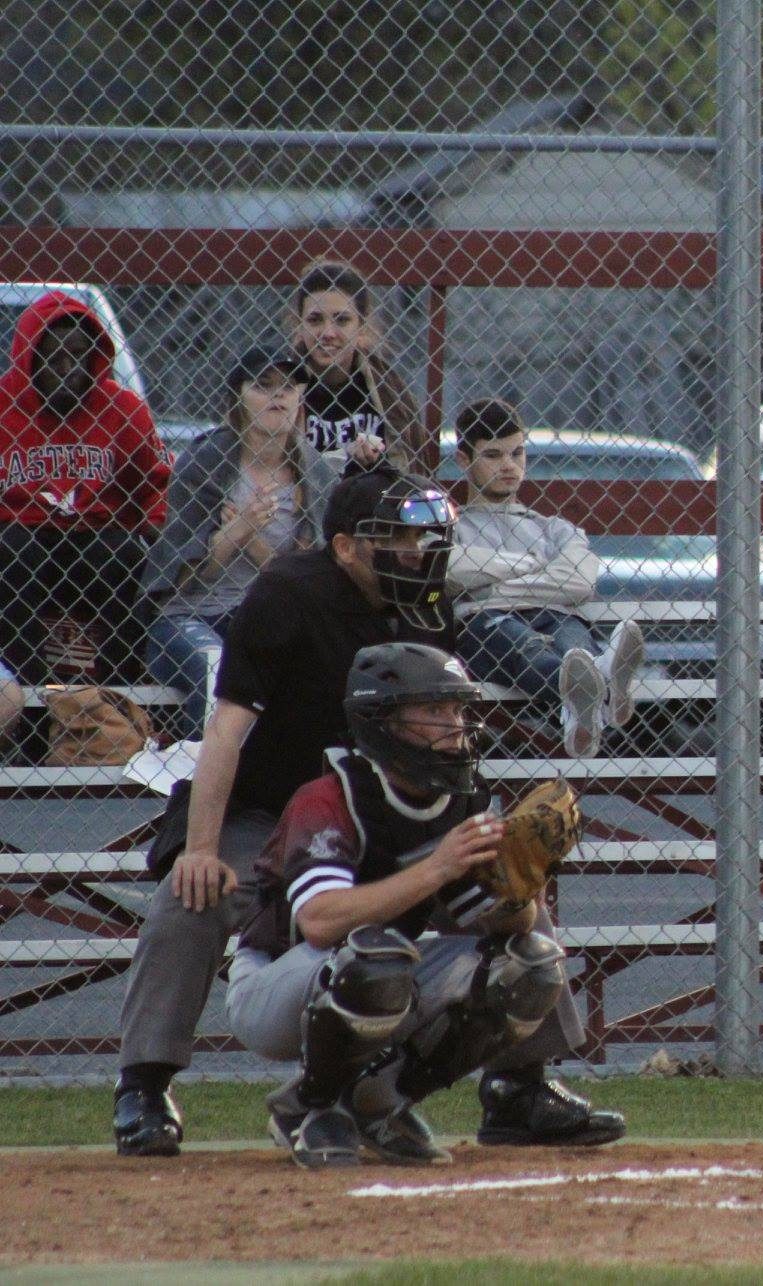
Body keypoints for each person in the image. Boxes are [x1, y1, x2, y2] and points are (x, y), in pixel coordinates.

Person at [112, 464, 623, 1156]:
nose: (420, 553)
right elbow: (227, 727)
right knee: (191, 896)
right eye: (400, 539)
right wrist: (202, 847)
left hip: (375, 802)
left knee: (502, 881)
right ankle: (144, 1084)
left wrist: (483, 850)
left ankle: (518, 1086)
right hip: (265, 803)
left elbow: (434, 727)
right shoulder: (287, 592)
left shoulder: (427, 600)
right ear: (347, 545)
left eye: (426, 537)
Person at [227, 642, 583, 1168]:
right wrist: (437, 867)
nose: (455, 725)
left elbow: (506, 925)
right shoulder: (330, 796)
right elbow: (320, 921)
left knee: (531, 965)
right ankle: (311, 1107)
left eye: (459, 711)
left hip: (380, 966)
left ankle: (380, 1103)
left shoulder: (459, 796)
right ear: (384, 721)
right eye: (435, 711)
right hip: (277, 980)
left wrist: (515, 888)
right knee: (376, 958)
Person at [142, 345, 336, 738]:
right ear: (238, 396)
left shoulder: (314, 471)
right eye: (262, 386)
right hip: (192, 613)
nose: (277, 395)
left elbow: (304, 585)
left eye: (288, 386)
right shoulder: (206, 464)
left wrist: (246, 536)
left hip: (265, 613)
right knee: (215, 663)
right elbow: (181, 576)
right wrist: (236, 531)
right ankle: (197, 787)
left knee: (322, 662)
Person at [446, 397, 645, 758]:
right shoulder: (452, 526)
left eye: (516, 453)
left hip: (554, 614)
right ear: (464, 460)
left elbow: (580, 581)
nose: (508, 465)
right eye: (493, 455)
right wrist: (534, 564)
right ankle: (606, 687)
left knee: (575, 650)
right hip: (485, 623)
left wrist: (492, 583)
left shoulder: (553, 528)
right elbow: (448, 568)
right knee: (531, 650)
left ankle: (586, 697)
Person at [0, 290, 171, 685]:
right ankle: (30, 695)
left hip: (95, 535)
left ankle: (112, 692)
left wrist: (155, 522)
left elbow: (155, 484)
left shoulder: (123, 408)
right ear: (31, 357)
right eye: (55, 358)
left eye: (78, 356)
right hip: (22, 536)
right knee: (13, 552)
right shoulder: (5, 406)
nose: (68, 369)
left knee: (121, 553)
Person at [289, 260, 434, 474]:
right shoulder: (283, 389)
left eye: (342, 320)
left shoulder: (390, 393)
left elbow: (412, 475)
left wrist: (377, 462)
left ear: (362, 328)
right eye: (315, 320)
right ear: (299, 326)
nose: (327, 333)